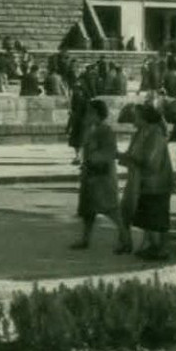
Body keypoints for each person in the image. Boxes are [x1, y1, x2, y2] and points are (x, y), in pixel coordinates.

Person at [72, 99, 120, 249]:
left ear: (96, 114)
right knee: (88, 210)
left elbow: (106, 153)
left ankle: (125, 237)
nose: (87, 115)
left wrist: (92, 159)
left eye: (90, 112)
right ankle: (85, 239)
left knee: (109, 209)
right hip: (90, 174)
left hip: (101, 175)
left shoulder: (105, 130)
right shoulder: (92, 129)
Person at [130, 103, 175, 259]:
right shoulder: (146, 132)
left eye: (136, 116)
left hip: (156, 182)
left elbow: (151, 160)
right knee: (150, 216)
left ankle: (159, 249)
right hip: (150, 181)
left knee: (156, 217)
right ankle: (153, 247)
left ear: (144, 119)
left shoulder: (155, 134)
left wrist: (132, 157)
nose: (133, 119)